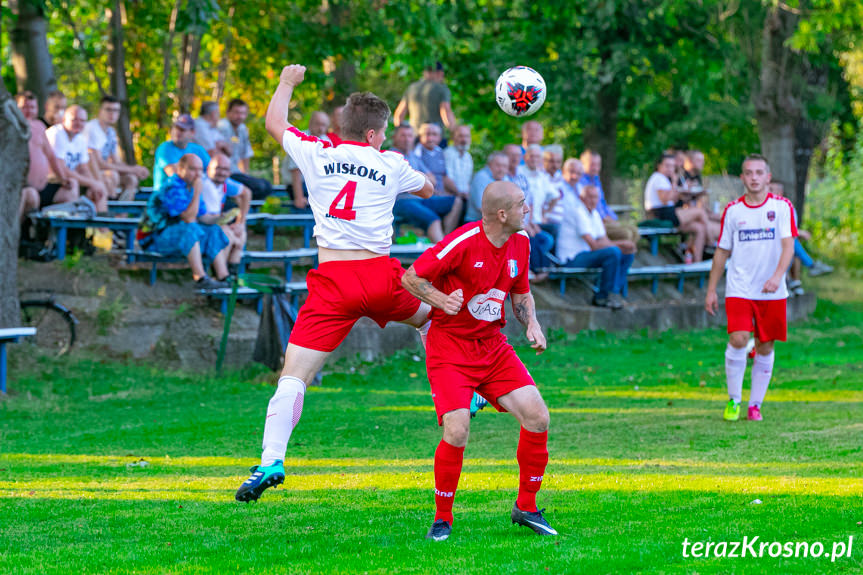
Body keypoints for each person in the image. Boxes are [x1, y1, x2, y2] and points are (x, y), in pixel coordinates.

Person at [234, 64, 435, 503]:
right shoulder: (390, 161)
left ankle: (271, 459)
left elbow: (274, 123)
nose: (381, 139)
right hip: (380, 276)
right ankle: (457, 394)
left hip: (333, 281)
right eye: (381, 133)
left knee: (294, 375)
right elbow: (429, 189)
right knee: (434, 318)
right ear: (371, 135)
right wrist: (397, 171)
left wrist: (287, 81)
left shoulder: (316, 152)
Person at [401, 180, 557, 541]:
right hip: (450, 349)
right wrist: (441, 301)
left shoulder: (521, 241)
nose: (528, 209)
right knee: (456, 430)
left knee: (537, 417)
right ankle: (442, 518)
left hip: (492, 347)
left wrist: (532, 322)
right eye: (522, 204)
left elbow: (521, 291)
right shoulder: (463, 241)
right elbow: (411, 276)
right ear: (502, 214)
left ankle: (527, 507)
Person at [705, 154, 796, 422]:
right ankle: (734, 399)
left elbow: (789, 246)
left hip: (772, 290)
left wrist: (777, 276)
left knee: (765, 345)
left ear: (768, 177)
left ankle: (755, 404)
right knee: (739, 338)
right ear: (742, 178)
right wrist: (711, 290)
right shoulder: (733, 211)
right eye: (748, 173)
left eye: (759, 172)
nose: (754, 178)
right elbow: (722, 251)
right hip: (740, 287)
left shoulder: (781, 207)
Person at [141, 153, 231, 289]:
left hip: (178, 236)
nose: (197, 174)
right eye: (192, 169)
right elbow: (188, 218)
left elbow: (202, 217)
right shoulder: (172, 187)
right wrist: (197, 193)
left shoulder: (191, 186)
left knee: (214, 230)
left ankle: (223, 276)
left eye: (200, 170)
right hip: (156, 238)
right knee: (191, 228)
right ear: (180, 169)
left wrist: (220, 218)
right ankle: (200, 278)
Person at [557, 183, 635, 309]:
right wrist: (621, 243)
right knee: (613, 252)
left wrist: (625, 247)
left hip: (586, 255)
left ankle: (614, 293)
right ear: (582, 198)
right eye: (590, 197)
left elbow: (605, 241)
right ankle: (602, 297)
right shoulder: (578, 212)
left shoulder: (594, 214)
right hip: (571, 258)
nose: (593, 200)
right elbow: (594, 245)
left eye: (595, 197)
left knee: (627, 254)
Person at [15, 91, 78, 220]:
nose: (29, 111)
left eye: (32, 107)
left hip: (43, 187)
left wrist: (63, 178)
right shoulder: (9, 128)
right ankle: (17, 237)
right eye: (24, 107)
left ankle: (67, 236)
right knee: (30, 195)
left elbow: (51, 156)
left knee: (70, 188)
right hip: (20, 188)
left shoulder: (39, 127)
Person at [391, 124, 458, 242]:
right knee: (434, 220)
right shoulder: (391, 156)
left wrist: (414, 179)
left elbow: (432, 179)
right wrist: (419, 179)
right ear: (394, 137)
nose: (407, 139)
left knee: (456, 201)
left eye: (409, 136)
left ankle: (447, 241)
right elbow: (402, 183)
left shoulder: (413, 156)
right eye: (402, 136)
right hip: (402, 201)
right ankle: (442, 255)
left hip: (420, 198)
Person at [644, 153, 715, 262]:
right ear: (659, 166)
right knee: (700, 212)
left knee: (699, 228)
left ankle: (697, 262)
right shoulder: (658, 178)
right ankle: (711, 243)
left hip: (666, 212)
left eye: (672, 166)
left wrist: (686, 194)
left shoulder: (663, 179)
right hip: (660, 214)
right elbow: (665, 199)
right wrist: (674, 182)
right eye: (667, 166)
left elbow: (673, 198)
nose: (670, 169)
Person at [767, 181, 833, 294]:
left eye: (772, 190)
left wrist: (796, 233)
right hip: (767, 240)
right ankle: (810, 266)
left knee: (791, 246)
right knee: (792, 244)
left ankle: (791, 281)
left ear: (780, 192)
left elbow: (788, 230)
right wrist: (800, 232)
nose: (769, 192)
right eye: (769, 189)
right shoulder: (763, 207)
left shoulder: (787, 207)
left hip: (781, 242)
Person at [85, 95, 150, 201]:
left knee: (131, 179)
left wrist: (135, 171)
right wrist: (133, 169)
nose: (112, 114)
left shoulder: (111, 132)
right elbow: (99, 164)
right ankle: (109, 213)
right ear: (100, 110)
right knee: (112, 175)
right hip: (89, 172)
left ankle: (122, 215)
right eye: (108, 110)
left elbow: (116, 161)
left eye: (116, 110)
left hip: (104, 171)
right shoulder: (92, 129)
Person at [45, 106, 109, 212]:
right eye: (74, 119)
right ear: (64, 120)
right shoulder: (57, 134)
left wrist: (94, 184)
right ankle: (73, 227)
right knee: (74, 185)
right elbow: (63, 170)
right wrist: (93, 183)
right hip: (50, 184)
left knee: (98, 188)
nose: (78, 123)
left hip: (68, 182)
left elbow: (84, 169)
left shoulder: (80, 139)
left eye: (82, 120)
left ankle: (103, 227)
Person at [201, 153, 251, 274]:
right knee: (227, 236)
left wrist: (241, 223)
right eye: (218, 168)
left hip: (215, 222)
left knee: (240, 234)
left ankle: (232, 277)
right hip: (203, 226)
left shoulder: (224, 182)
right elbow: (206, 218)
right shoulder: (204, 183)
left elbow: (246, 193)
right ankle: (220, 277)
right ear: (209, 169)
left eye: (225, 169)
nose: (222, 172)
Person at [578, 149, 638, 243]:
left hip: (605, 219)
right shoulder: (580, 182)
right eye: (592, 164)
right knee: (626, 233)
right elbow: (591, 207)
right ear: (582, 164)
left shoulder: (596, 180)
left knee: (634, 230)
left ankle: (626, 255)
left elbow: (603, 203)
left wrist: (612, 217)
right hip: (596, 222)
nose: (596, 168)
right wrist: (605, 218)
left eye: (598, 165)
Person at [218, 98, 273, 199]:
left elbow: (246, 154)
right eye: (236, 113)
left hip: (236, 173)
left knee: (267, 185)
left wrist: (246, 175)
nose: (240, 116)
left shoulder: (242, 128)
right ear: (228, 112)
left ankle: (242, 201)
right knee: (259, 187)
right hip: (224, 174)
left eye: (243, 113)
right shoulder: (222, 126)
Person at [281, 110, 332, 210]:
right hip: (297, 185)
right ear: (310, 124)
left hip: (316, 184)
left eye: (324, 125)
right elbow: (295, 172)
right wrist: (298, 198)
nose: (321, 128)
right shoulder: (299, 140)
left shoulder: (326, 141)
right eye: (318, 124)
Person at [393, 62, 456, 138]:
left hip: (414, 136)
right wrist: (455, 131)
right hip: (434, 138)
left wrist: (401, 134)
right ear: (439, 73)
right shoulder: (442, 89)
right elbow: (445, 112)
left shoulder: (412, 88)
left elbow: (399, 115)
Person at [152, 113, 211, 192]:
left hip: (191, 194)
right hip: (167, 197)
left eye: (182, 129)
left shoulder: (198, 149)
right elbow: (175, 175)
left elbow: (213, 171)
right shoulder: (165, 148)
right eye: (176, 128)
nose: (177, 132)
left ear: (192, 132)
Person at [413, 123, 458, 196]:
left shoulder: (440, 152)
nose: (430, 138)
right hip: (426, 195)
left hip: (442, 193)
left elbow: (445, 177)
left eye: (434, 134)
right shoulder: (416, 153)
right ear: (420, 137)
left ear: (440, 137)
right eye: (427, 134)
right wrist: (437, 193)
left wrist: (458, 192)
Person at [541, 152, 576, 242]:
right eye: (551, 161)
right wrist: (546, 215)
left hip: (562, 221)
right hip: (547, 221)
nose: (555, 165)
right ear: (544, 161)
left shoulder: (560, 178)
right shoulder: (541, 177)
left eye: (558, 162)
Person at [466, 151, 509, 222]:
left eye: (504, 166)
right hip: (475, 222)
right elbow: (482, 208)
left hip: (496, 222)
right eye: (498, 165)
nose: (501, 169)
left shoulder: (505, 178)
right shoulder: (481, 177)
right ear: (489, 165)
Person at [443, 125, 473, 199]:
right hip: (451, 195)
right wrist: (460, 194)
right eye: (460, 136)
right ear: (453, 138)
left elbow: (468, 182)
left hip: (464, 196)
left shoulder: (468, 157)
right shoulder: (448, 153)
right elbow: (446, 179)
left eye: (467, 136)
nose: (464, 140)